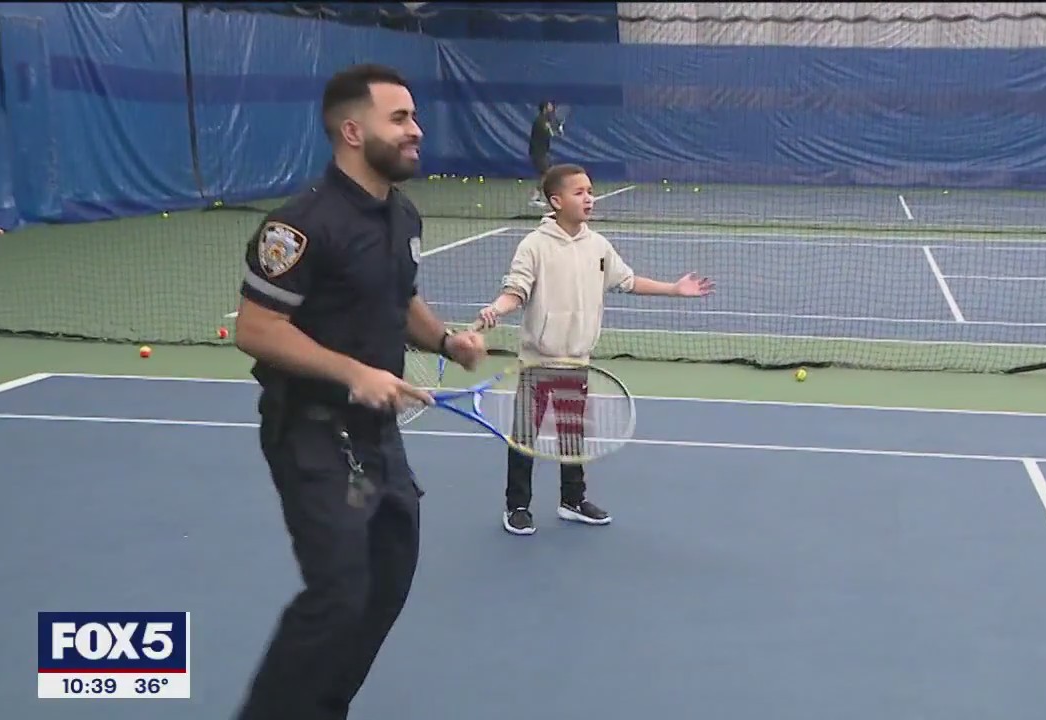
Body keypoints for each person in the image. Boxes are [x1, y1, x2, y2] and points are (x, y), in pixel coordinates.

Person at [231, 63, 487, 720]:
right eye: (399, 119)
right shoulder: (299, 226)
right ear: (352, 130)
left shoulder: (402, 215)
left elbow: (400, 301)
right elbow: (257, 329)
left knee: (387, 583)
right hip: (312, 433)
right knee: (339, 593)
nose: (416, 131)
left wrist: (445, 342)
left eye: (414, 118)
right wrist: (355, 373)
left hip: (379, 437)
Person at [477, 163, 715, 536]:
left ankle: (572, 500)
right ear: (556, 201)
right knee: (524, 438)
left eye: (590, 190)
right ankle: (517, 506)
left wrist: (673, 288)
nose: (589, 197)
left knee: (574, 437)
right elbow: (516, 291)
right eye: (579, 192)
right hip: (538, 361)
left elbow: (629, 280)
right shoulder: (534, 246)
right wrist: (496, 309)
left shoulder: (598, 246)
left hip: (578, 360)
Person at [527, 101, 561, 207]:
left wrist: (557, 130)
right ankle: (535, 198)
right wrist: (556, 130)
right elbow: (548, 133)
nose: (552, 107)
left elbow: (550, 133)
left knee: (546, 174)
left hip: (543, 152)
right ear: (545, 108)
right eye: (550, 105)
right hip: (537, 153)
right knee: (547, 173)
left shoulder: (545, 120)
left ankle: (539, 197)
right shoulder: (540, 120)